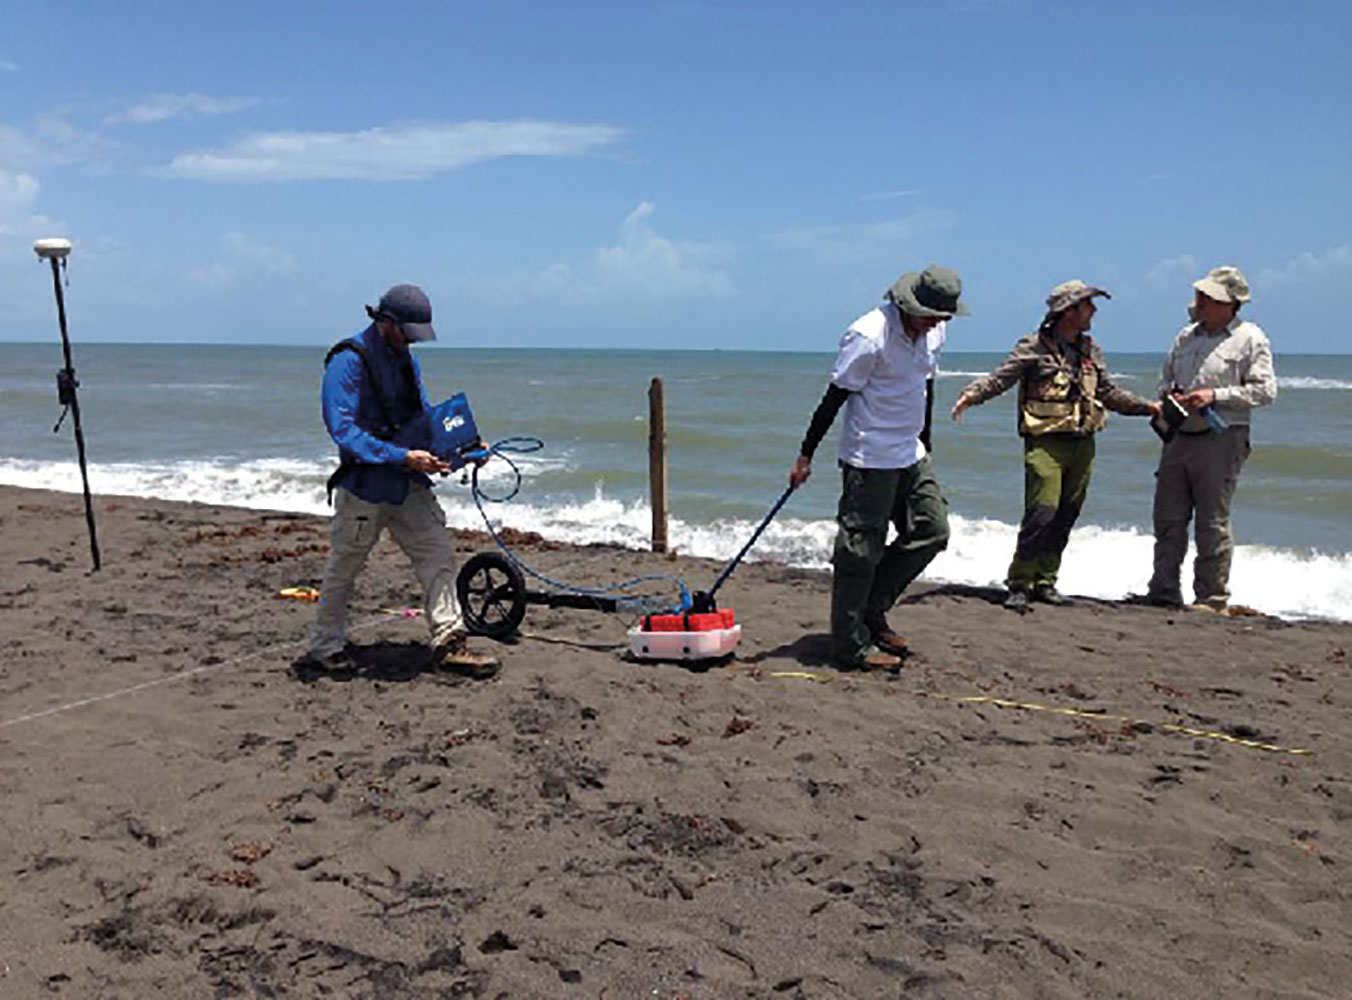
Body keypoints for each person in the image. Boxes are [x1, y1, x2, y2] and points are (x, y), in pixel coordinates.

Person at [304, 283, 500, 677]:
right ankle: (326, 647)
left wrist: (460, 447)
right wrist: (401, 456)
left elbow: (424, 418)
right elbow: (342, 430)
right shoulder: (347, 360)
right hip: (364, 487)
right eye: (408, 332)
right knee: (345, 567)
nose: (412, 341)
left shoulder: (406, 360)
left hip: (409, 483)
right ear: (386, 322)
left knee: (437, 554)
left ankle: (450, 641)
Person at [788, 265, 966, 671]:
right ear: (907, 305)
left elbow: (926, 383)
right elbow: (834, 397)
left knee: (932, 530)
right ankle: (849, 646)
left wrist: (927, 442)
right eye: (930, 316)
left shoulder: (935, 330)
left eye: (942, 318)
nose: (936, 325)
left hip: (911, 451)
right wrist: (804, 456)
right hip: (869, 456)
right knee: (859, 552)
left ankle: (872, 609)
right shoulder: (869, 336)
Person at [952, 280, 1160, 612]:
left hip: (1082, 442)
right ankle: (1020, 582)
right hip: (1045, 443)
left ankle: (1045, 581)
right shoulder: (1033, 347)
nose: (1093, 312)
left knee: (1066, 514)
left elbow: (1108, 392)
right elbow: (1000, 378)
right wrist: (971, 395)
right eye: (1088, 305)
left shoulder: (1091, 350)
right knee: (1041, 512)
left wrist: (1148, 406)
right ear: (1069, 310)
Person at [1144, 266, 1276, 610]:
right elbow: (1164, 380)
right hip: (1179, 434)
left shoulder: (1251, 338)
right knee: (1168, 516)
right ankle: (1163, 590)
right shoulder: (1186, 336)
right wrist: (1171, 396)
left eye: (1208, 297)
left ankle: (1211, 597)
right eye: (1200, 295)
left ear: (1228, 303)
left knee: (1211, 519)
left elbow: (1265, 391)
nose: (1199, 301)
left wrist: (1214, 396)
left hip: (1223, 435)